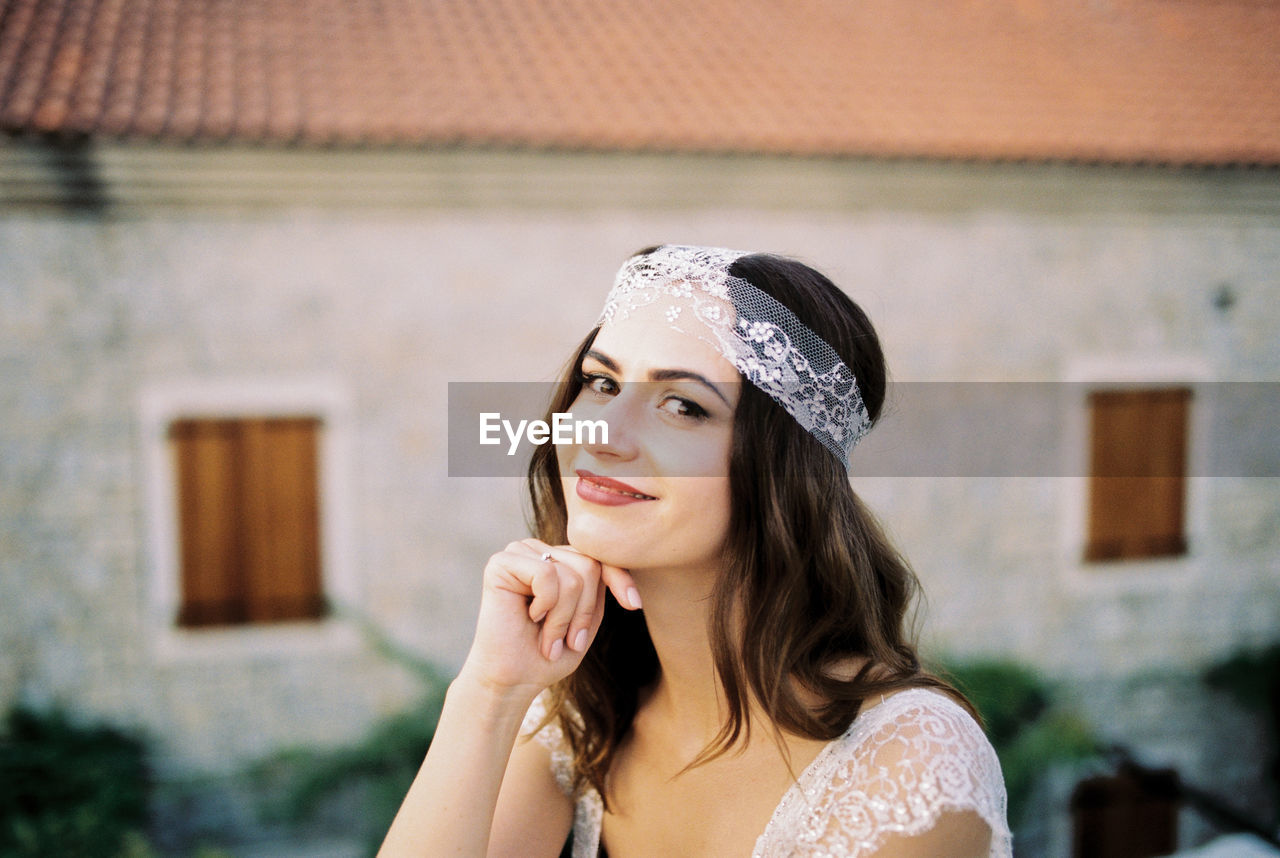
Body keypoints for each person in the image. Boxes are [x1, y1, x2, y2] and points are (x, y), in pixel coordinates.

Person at [380, 245, 1012, 857]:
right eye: (600, 383)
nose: (603, 436)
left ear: (779, 472)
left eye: (682, 405)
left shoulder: (909, 757)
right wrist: (489, 691)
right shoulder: (577, 712)